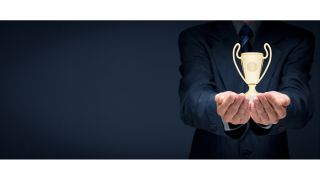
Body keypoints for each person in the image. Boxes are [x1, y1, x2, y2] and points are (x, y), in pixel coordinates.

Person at [178, 21, 315, 158]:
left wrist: (283, 105)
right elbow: (192, 102)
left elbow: (300, 102)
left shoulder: (297, 38)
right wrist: (220, 106)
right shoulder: (195, 36)